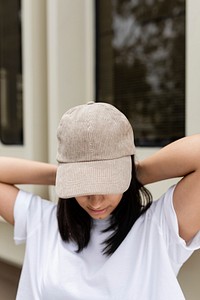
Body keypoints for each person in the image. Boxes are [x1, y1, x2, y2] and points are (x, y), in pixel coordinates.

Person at [0, 101, 200, 300]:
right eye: (83, 187)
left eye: (108, 185)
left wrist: (132, 176)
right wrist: (62, 176)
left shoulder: (159, 229)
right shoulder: (43, 222)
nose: (96, 202)